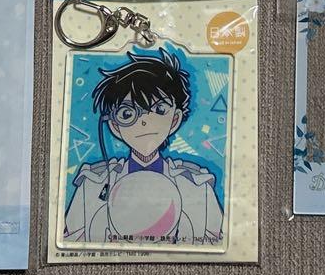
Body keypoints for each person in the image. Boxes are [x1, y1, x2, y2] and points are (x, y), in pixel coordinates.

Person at [65, 49, 223, 244]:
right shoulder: (93, 183)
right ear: (114, 125)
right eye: (127, 114)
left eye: (159, 109)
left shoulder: (196, 184)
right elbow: (74, 238)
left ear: (175, 119)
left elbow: (214, 240)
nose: (145, 121)